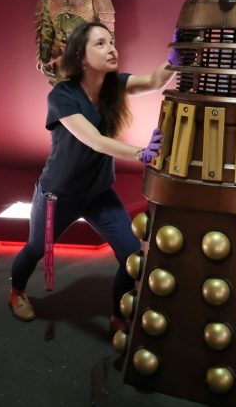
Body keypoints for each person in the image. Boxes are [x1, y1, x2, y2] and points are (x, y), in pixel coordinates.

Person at [9, 22, 175, 334]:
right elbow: (94, 140)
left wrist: (176, 57)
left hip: (98, 194)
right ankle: (17, 291)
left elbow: (154, 80)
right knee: (35, 249)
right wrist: (140, 153)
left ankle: (118, 316)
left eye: (112, 41)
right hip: (58, 195)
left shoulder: (114, 86)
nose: (112, 48)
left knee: (131, 255)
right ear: (81, 57)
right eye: (100, 43)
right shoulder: (63, 95)